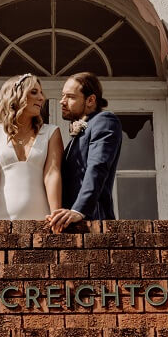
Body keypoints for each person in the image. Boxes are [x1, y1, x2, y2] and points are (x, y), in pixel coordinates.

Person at [0, 73, 63, 229]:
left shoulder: (51, 132)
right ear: (15, 96)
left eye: (41, 92)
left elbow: (52, 174)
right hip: (0, 219)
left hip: (42, 218)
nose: (41, 98)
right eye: (34, 92)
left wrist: (56, 214)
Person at [46, 72, 122, 233]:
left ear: (90, 100)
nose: (62, 101)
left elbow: (97, 167)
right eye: (62, 96)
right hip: (69, 224)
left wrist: (79, 210)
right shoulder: (81, 132)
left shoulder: (104, 121)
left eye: (70, 97)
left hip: (93, 222)